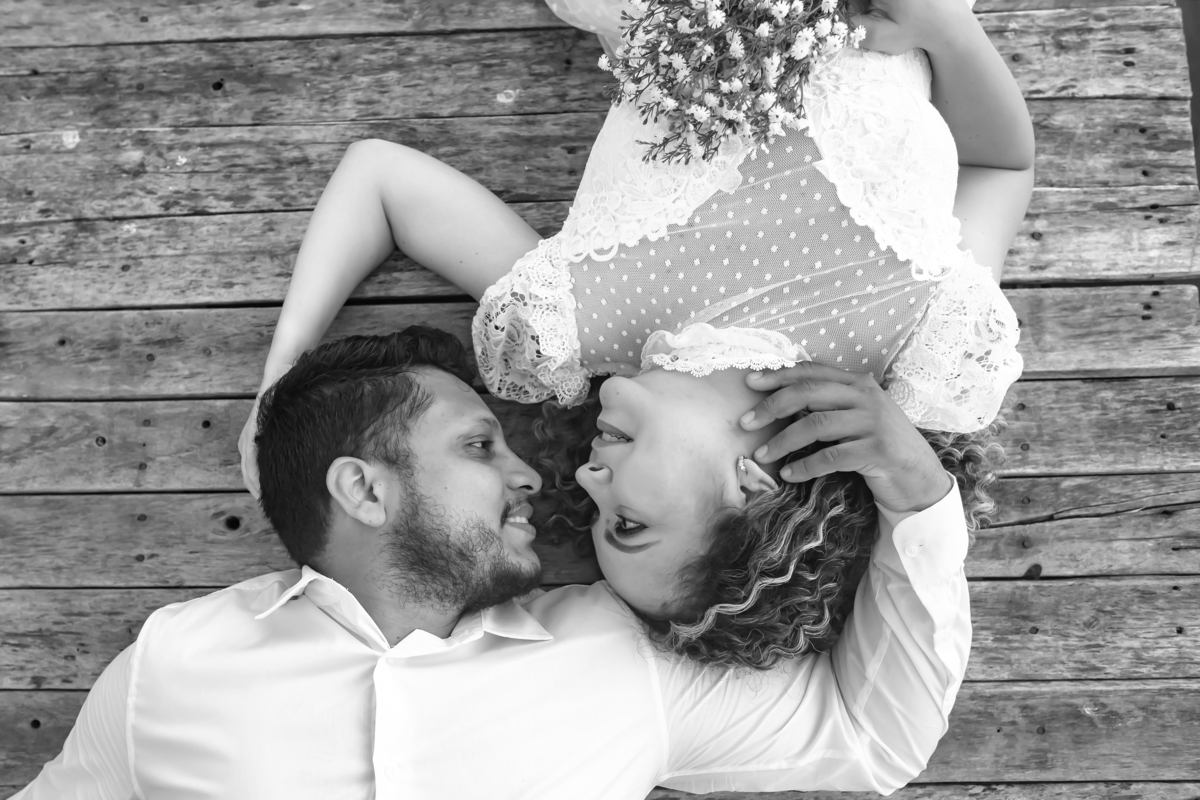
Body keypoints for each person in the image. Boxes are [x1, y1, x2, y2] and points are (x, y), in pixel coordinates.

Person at [237, 0, 1029, 667]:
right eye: (630, 523)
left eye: (597, 522)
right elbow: (1000, 168)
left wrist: (278, 387)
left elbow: (380, 178)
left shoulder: (570, 323)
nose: (584, 483)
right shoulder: (919, 345)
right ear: (751, 486)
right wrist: (949, 31)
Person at [15, 326, 970, 799]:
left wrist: (914, 490)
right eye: (480, 449)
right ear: (365, 490)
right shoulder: (173, 666)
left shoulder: (614, 662)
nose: (530, 476)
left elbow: (872, 736)